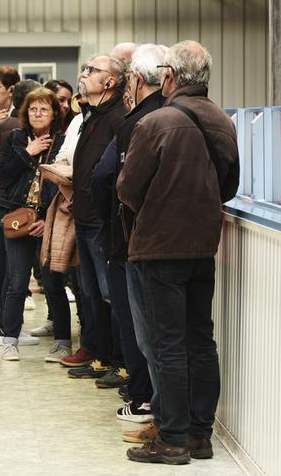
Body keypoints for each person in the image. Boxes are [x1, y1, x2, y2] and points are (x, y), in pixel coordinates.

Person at [117, 40, 240, 465]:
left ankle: (172, 439)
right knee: (201, 339)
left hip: (158, 248)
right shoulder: (223, 121)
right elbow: (229, 185)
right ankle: (201, 435)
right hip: (203, 245)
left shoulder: (155, 124)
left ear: (169, 76)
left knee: (167, 344)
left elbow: (128, 189)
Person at [91, 44, 167, 422]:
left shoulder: (133, 123)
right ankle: (180, 417)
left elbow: (111, 180)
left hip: (132, 239)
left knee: (142, 328)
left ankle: (145, 400)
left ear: (135, 80)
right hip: (173, 240)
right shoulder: (194, 116)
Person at [61, 54, 127, 381]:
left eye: (91, 70)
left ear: (110, 82)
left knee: (109, 294)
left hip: (103, 221)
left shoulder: (118, 117)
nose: (83, 74)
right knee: (89, 293)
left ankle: (120, 360)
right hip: (84, 215)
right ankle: (100, 355)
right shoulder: (91, 114)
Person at [0, 87, 70, 361]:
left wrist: (44, 219)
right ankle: (10, 340)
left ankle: (63, 341)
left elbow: (64, 183)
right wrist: (27, 152)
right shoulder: (16, 137)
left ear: (54, 114)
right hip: (18, 220)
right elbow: (3, 176)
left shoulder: (62, 142)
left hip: (49, 221)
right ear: (25, 113)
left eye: (44, 109)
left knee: (53, 283)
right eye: (33, 109)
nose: (38, 114)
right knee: (16, 282)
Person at [0, 79, 42, 345]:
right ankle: (5, 327)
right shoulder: (18, 129)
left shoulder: (1, 124)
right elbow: (12, 170)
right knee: (13, 270)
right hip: (7, 205)